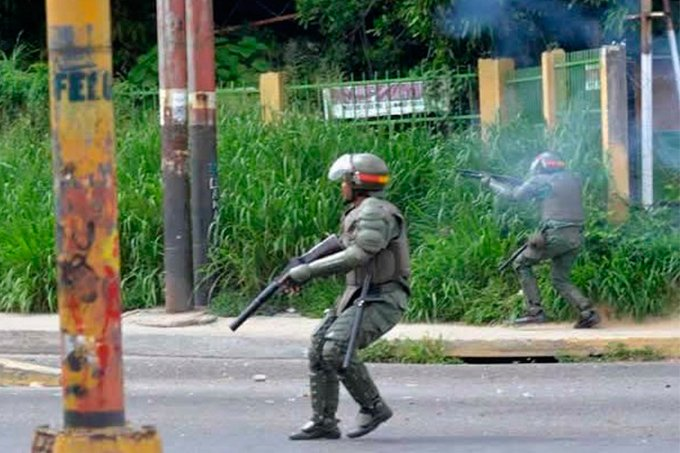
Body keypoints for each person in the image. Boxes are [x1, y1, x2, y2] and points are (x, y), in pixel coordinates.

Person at [285, 153, 410, 440]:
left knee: (336, 348)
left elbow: (359, 254)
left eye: (344, 181)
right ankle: (324, 421)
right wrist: (301, 263)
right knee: (319, 346)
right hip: (359, 294)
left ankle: (374, 407)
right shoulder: (360, 211)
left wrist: (308, 272)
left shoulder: (375, 212)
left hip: (383, 298)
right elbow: (341, 245)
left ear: (357, 182)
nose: (341, 186)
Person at [482, 151, 600, 329]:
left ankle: (534, 312)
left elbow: (514, 196)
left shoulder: (539, 180)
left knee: (521, 263)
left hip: (556, 235)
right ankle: (587, 312)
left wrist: (491, 183)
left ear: (540, 167)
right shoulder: (573, 179)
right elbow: (551, 193)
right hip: (576, 236)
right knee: (560, 279)